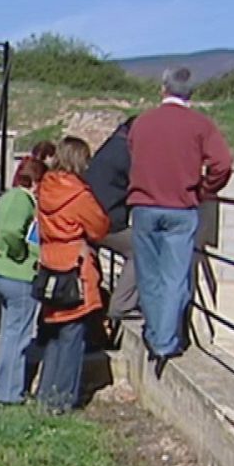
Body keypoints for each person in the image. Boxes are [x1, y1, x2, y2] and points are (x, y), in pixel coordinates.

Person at [128, 67, 233, 379]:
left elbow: (134, 154)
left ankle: (154, 330)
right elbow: (222, 164)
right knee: (176, 277)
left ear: (163, 89)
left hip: (144, 206)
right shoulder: (201, 125)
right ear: (191, 93)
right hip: (182, 207)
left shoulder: (142, 123)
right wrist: (205, 189)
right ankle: (165, 340)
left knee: (148, 275)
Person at [31, 137, 110, 414]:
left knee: (54, 336)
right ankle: (63, 400)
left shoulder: (45, 188)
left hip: (50, 264)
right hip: (75, 268)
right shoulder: (79, 195)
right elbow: (100, 227)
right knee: (73, 338)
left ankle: (46, 395)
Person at [0, 155, 43, 403]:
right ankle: (10, 393)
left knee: (9, 336)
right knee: (19, 337)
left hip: (1, 273)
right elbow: (10, 232)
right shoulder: (23, 200)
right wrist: (21, 253)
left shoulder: (7, 197)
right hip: (20, 275)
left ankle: (2, 387)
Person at [85, 117, 139, 344]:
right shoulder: (125, 153)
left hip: (93, 218)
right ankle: (121, 305)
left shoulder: (110, 147)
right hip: (107, 223)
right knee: (142, 247)